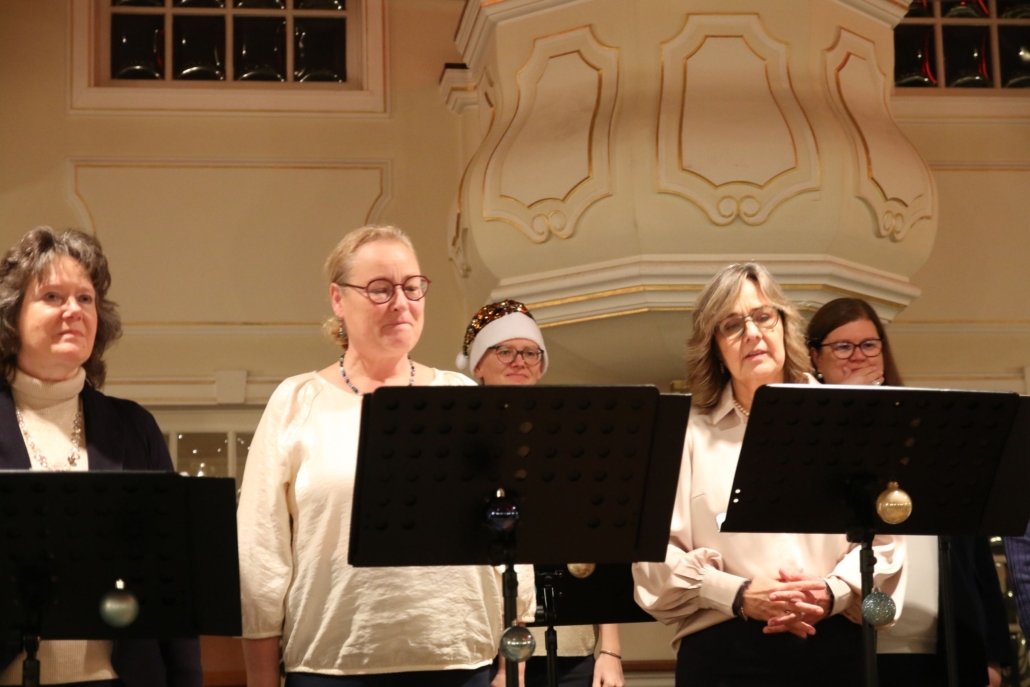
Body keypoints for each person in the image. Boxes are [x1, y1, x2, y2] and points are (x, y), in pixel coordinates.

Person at [237, 226, 534, 687]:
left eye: (412, 287)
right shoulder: (296, 401)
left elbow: (509, 533)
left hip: (458, 662)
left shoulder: (461, 396)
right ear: (338, 299)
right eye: (380, 288)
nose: (401, 303)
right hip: (332, 665)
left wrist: (513, 665)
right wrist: (260, 680)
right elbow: (261, 554)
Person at [632, 262, 906, 687]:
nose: (752, 333)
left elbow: (885, 541)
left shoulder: (847, 419)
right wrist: (739, 594)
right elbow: (653, 559)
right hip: (724, 651)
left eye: (763, 317)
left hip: (833, 644)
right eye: (732, 325)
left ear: (784, 326)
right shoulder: (685, 434)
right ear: (714, 348)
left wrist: (831, 592)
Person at [0, 227, 203, 687]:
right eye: (52, 296)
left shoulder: (134, 427)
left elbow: (174, 582)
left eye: (85, 298)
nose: (73, 310)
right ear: (12, 316)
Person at [809, 297, 1010, 687]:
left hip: (941, 644)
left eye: (869, 344)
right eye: (843, 347)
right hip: (843, 644)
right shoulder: (808, 439)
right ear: (815, 356)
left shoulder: (927, 428)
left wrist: (992, 654)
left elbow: (972, 547)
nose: (858, 356)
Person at [457, 300, 624, 687]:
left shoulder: (568, 440)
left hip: (570, 643)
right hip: (488, 650)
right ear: (478, 364)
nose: (520, 361)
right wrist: (505, 664)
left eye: (530, 352)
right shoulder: (463, 441)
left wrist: (611, 651)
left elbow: (598, 542)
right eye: (505, 351)